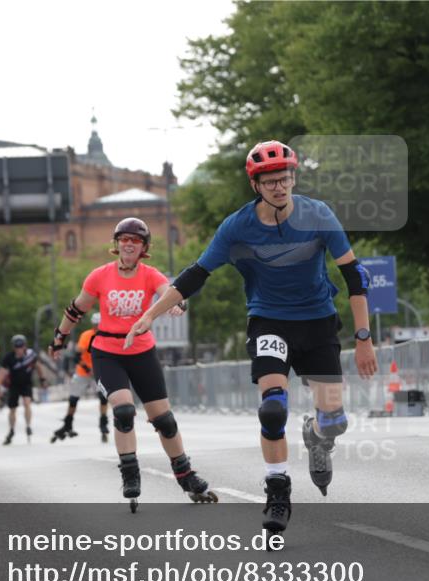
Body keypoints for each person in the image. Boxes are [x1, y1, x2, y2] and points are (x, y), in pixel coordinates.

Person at [129, 140, 378, 534]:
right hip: (269, 321)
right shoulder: (237, 227)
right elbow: (195, 275)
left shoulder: (318, 214)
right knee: (272, 408)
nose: (280, 187)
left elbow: (355, 276)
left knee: (334, 421)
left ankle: (317, 435)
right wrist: (149, 315)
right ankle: (277, 490)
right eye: (270, 181)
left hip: (317, 321)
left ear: (294, 177)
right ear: (256, 186)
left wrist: (363, 338)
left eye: (285, 178)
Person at [49, 217, 216, 512]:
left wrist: (179, 304)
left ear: (143, 248)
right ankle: (130, 472)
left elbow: (171, 291)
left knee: (164, 420)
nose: (128, 244)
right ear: (116, 244)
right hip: (107, 352)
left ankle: (185, 475)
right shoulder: (99, 276)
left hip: (141, 352)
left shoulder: (150, 275)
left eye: (135, 240)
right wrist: (60, 337)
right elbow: (76, 309)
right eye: (123, 239)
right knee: (124, 410)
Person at [51, 312, 109, 444]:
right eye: (96, 325)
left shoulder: (107, 336)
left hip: (99, 371)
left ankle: (103, 423)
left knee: (103, 397)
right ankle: (68, 422)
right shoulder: (87, 335)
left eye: (100, 325)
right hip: (84, 371)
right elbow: (77, 356)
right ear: (93, 325)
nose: (98, 328)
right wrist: (87, 368)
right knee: (73, 398)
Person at [0, 334, 47, 445]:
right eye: (16, 347)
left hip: (26, 384)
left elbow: (38, 366)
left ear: (25, 346)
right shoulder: (8, 357)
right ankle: (11, 430)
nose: (19, 349)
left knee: (27, 403)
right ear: (13, 347)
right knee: (12, 409)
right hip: (13, 385)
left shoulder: (31, 355)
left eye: (21, 346)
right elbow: (2, 372)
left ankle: (28, 426)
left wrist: (42, 379)